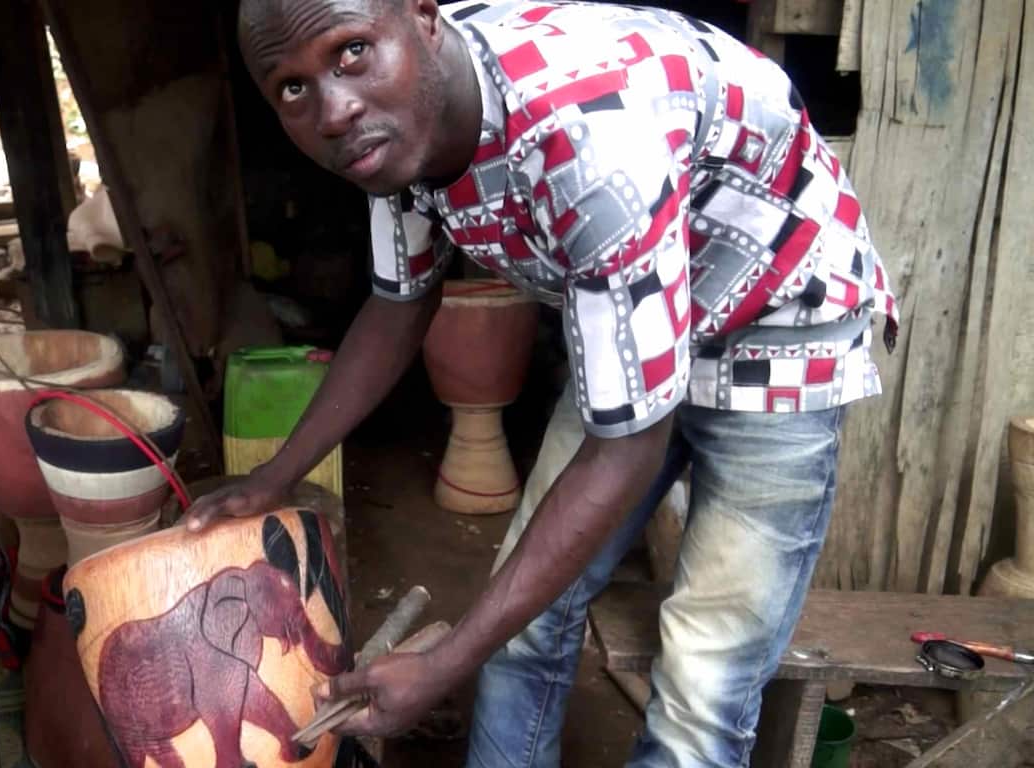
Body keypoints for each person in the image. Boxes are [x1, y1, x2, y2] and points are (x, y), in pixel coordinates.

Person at [185, 1, 900, 765]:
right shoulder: (392, 129)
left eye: (352, 52)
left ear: (423, 20)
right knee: (523, 623)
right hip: (644, 315)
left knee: (704, 685)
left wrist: (446, 662)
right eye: (292, 88)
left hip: (783, 327)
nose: (333, 109)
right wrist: (276, 475)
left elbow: (625, 448)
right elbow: (400, 301)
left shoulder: (590, 138)